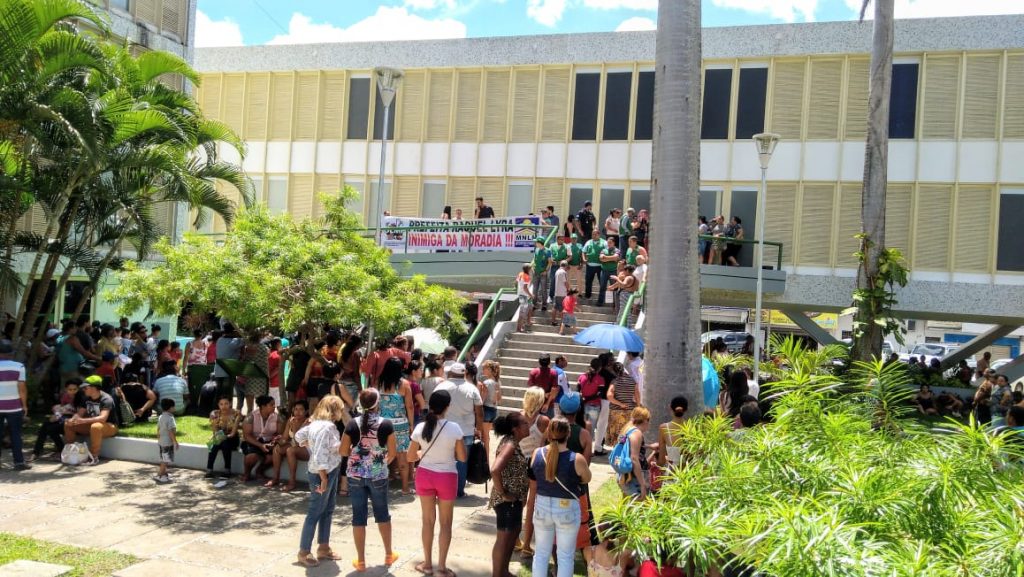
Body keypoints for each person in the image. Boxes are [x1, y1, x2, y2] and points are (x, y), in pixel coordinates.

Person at [408, 390, 467, 577]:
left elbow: (410, 456)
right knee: (446, 523)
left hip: (424, 475)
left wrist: (420, 454)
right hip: (447, 476)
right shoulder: (454, 428)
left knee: (427, 521)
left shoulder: (420, 428)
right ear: (447, 407)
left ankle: (427, 563)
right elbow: (462, 457)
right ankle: (441, 567)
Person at [342, 389, 399, 572]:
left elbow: (343, 451)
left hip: (355, 474)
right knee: (382, 514)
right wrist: (380, 463)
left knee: (358, 517)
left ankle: (360, 561)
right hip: (377, 473)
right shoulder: (386, 424)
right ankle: (389, 554)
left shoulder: (352, 423)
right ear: (377, 403)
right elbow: (392, 452)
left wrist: (356, 454)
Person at [530, 417, 592, 577]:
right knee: (565, 557)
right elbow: (586, 478)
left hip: (542, 506)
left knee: (541, 554)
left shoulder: (537, 453)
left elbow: (534, 475)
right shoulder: (577, 459)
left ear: (548, 433)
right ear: (568, 434)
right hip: (566, 508)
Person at [295, 395, 347, 567]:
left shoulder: (315, 424)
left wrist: (306, 443)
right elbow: (320, 455)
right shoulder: (328, 427)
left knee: (327, 509)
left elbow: (298, 436)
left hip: (328, 471)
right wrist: (324, 478)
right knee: (316, 510)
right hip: (323, 473)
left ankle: (323, 547)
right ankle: (304, 551)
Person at [489, 412, 531, 577]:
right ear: (516, 429)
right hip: (507, 502)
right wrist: (503, 493)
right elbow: (495, 469)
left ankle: (504, 571)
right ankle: (497, 574)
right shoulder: (510, 445)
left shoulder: (513, 442)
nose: (528, 426)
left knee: (512, 537)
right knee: (503, 540)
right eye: (525, 424)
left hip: (515, 500)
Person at [436, 362, 483, 498]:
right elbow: (479, 412)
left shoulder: (442, 386)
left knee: (445, 459)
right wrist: (478, 429)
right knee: (462, 461)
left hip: (443, 429)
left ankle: (444, 489)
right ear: (464, 373)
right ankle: (458, 491)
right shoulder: (472, 389)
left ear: (450, 373)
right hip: (466, 431)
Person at [517, 386, 551, 556]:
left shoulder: (517, 416)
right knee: (531, 505)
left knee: (517, 502)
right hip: (535, 464)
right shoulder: (543, 420)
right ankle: (526, 546)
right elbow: (548, 445)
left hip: (518, 461)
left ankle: (516, 539)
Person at [378, 357, 415, 495]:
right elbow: (410, 406)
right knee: (402, 457)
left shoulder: (378, 382)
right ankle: (405, 488)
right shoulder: (404, 384)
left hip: (381, 424)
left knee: (381, 455)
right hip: (400, 425)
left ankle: (379, 486)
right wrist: (411, 425)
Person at [64, 375, 117, 462]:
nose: (83, 390)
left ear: (94, 388)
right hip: (92, 425)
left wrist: (83, 420)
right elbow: (79, 414)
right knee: (68, 424)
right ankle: (71, 451)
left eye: (86, 388)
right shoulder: (86, 398)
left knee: (96, 426)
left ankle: (94, 456)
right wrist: (73, 419)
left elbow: (103, 418)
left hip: (109, 426)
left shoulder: (106, 399)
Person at [0, 341, 30, 470]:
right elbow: (22, 388)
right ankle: (19, 462)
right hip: (14, 406)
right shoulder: (19, 366)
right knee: (16, 434)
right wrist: (24, 406)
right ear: (11, 353)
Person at [266, 400, 309, 488]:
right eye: (296, 409)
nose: (298, 412)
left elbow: (299, 442)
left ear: (306, 412)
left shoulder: (308, 422)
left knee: (290, 450)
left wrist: (294, 427)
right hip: (295, 446)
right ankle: (275, 478)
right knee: (277, 449)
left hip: (307, 449)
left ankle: (292, 482)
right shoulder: (291, 420)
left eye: (301, 409)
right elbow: (285, 438)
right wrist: (278, 441)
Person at [240, 395, 283, 483]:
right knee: (251, 456)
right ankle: (246, 474)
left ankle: (259, 472)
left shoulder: (277, 417)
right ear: (263, 406)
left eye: (274, 404)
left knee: (274, 456)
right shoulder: (251, 416)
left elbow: (279, 434)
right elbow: (247, 436)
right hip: (253, 441)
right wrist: (260, 445)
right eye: (271, 405)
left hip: (269, 441)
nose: (274, 406)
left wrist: (273, 442)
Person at [34, 379, 81, 458]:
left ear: (78, 389)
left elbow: (80, 413)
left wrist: (65, 412)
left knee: (50, 428)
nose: (72, 392)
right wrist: (57, 413)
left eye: (74, 389)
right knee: (46, 425)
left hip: (74, 420)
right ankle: (37, 451)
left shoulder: (80, 397)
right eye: (70, 389)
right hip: (64, 418)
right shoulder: (65, 396)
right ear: (66, 389)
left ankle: (38, 452)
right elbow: (61, 409)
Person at [616, 407, 651, 499]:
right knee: (639, 510)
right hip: (634, 478)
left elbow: (630, 447)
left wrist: (649, 446)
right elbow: (634, 459)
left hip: (625, 475)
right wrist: (642, 484)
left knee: (628, 507)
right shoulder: (637, 433)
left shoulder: (627, 429)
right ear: (645, 421)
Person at [605, 362, 640, 447]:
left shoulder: (615, 381)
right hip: (629, 410)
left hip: (616, 411)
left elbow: (609, 396)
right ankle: (624, 450)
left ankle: (617, 451)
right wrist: (638, 406)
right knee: (626, 431)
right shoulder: (632, 381)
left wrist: (620, 404)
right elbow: (637, 395)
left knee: (616, 433)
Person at [206, 395, 242, 477]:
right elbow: (215, 431)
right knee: (213, 445)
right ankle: (209, 470)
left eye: (226, 403)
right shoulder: (215, 414)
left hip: (233, 438)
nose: (224, 406)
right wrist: (218, 437)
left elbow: (233, 432)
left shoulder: (237, 413)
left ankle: (227, 470)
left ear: (230, 403)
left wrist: (224, 437)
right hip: (220, 436)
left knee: (225, 443)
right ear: (218, 405)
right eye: (221, 404)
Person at [578, 359, 605, 453]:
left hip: (583, 406)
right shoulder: (600, 379)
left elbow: (579, 390)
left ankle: (580, 447)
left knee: (581, 426)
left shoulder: (581, 377)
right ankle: (587, 450)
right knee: (591, 429)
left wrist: (584, 399)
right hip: (594, 406)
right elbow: (599, 394)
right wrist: (589, 399)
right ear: (600, 368)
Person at [655, 396, 688, 469]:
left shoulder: (664, 428)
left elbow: (661, 461)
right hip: (690, 475)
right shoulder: (693, 427)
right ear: (686, 409)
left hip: (673, 474)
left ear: (670, 407)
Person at [241, 332, 270, 414]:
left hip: (250, 376)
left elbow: (245, 360)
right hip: (262, 376)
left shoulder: (247, 348)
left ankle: (248, 420)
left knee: (249, 407)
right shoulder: (264, 348)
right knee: (261, 405)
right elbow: (268, 355)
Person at [214, 323, 243, 401]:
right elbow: (246, 338)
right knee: (227, 394)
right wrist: (239, 332)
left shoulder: (219, 340)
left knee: (219, 394)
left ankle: (217, 410)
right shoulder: (235, 341)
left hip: (218, 371)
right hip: (228, 372)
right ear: (234, 331)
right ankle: (227, 412)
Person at [480, 360, 502, 458]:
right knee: (487, 435)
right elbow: (499, 399)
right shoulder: (498, 382)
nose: (482, 370)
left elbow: (482, 398)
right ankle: (487, 455)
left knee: (485, 436)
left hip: (486, 409)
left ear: (489, 369)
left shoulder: (486, 382)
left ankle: (486, 456)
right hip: (494, 410)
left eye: (484, 368)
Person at [154, 398, 179, 484]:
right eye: (174, 406)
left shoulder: (161, 416)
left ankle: (164, 474)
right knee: (165, 459)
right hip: (167, 443)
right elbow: (171, 431)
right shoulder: (170, 418)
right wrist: (175, 442)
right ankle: (160, 475)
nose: (174, 408)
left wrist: (158, 438)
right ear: (170, 408)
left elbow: (158, 429)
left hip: (161, 442)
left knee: (163, 458)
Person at [582, 229, 606, 302]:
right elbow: (583, 251)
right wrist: (583, 259)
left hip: (600, 266)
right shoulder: (588, 242)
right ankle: (588, 296)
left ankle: (602, 298)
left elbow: (607, 251)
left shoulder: (604, 242)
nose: (594, 236)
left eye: (595, 234)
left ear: (599, 235)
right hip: (589, 265)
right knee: (588, 282)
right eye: (593, 234)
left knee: (601, 282)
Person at [597, 237, 619, 308]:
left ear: (614, 243)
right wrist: (611, 258)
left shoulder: (617, 250)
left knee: (614, 288)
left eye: (610, 242)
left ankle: (615, 304)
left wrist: (605, 258)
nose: (608, 244)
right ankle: (600, 302)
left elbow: (616, 258)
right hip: (604, 271)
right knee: (602, 287)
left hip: (613, 271)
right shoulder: (603, 250)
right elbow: (601, 259)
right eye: (608, 243)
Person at [532, 237, 552, 312]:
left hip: (543, 273)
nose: (535, 243)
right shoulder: (536, 250)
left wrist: (546, 270)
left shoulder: (547, 251)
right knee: (535, 289)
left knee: (544, 289)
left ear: (540, 243)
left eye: (536, 242)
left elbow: (550, 262)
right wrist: (533, 267)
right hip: (536, 272)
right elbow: (534, 259)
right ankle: (534, 304)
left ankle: (544, 305)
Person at [516, 263, 534, 333]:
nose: (531, 270)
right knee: (522, 313)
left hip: (522, 294)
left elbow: (516, 282)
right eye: (531, 268)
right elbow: (525, 288)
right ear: (528, 269)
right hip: (524, 296)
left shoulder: (520, 274)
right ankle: (519, 328)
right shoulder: (527, 277)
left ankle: (526, 323)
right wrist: (531, 295)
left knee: (530, 307)